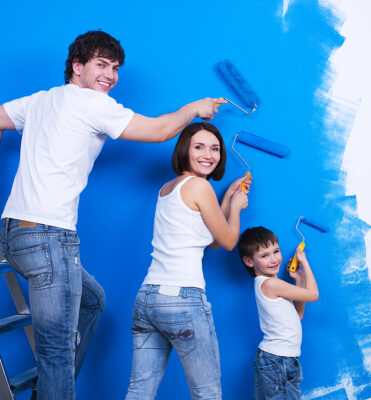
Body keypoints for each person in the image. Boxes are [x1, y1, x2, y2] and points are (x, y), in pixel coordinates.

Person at [0, 30, 226, 400]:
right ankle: (54, 389)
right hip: (50, 238)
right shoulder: (93, 103)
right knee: (56, 353)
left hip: (12, 234)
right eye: (101, 64)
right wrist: (194, 109)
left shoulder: (41, 101)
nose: (110, 75)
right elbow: (159, 130)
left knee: (93, 300)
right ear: (77, 66)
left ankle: (50, 391)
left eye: (115, 68)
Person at [125, 122, 250, 399]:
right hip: (182, 299)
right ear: (185, 149)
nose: (208, 154)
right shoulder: (199, 186)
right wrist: (238, 208)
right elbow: (229, 242)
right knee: (207, 392)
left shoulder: (169, 188)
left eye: (215, 148)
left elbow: (212, 239)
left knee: (139, 391)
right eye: (199, 147)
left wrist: (229, 198)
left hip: (148, 298)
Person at [237, 227, 319, 400]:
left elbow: (298, 315)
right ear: (249, 261)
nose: (274, 259)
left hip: (277, 359)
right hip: (278, 360)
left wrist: (299, 279)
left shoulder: (272, 284)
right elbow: (313, 294)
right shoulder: (270, 285)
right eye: (264, 255)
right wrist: (304, 262)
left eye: (276, 251)